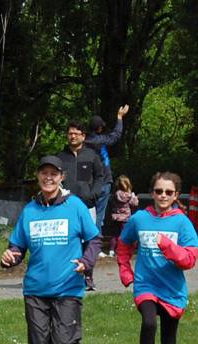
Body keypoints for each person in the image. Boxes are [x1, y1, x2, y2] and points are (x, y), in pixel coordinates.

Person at [0, 155, 101, 344]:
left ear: (61, 178)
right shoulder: (30, 211)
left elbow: (94, 240)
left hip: (68, 287)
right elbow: (18, 246)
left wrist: (86, 263)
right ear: (38, 177)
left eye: (53, 174)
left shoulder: (75, 206)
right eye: (44, 173)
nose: (48, 178)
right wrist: (10, 258)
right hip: (35, 289)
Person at [116, 171, 198, 344]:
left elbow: (191, 258)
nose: (163, 195)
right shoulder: (140, 219)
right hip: (146, 284)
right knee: (149, 323)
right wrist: (125, 270)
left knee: (169, 342)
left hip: (172, 289)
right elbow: (123, 245)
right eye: (159, 191)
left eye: (168, 192)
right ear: (152, 193)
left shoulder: (182, 222)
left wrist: (169, 248)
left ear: (175, 195)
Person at [58, 121, 106, 291]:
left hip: (87, 205)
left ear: (83, 136)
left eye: (76, 133)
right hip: (65, 207)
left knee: (89, 241)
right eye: (70, 133)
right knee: (68, 240)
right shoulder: (60, 157)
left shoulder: (92, 156)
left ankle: (88, 275)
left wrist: (93, 194)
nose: (72, 136)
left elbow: (101, 177)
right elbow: (54, 179)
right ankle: (66, 275)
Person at [86, 105, 129, 240]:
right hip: (103, 181)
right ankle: (95, 244)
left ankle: (88, 241)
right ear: (99, 128)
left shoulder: (84, 142)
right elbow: (116, 135)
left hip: (89, 182)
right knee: (99, 214)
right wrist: (119, 117)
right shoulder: (101, 140)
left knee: (88, 212)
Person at [105, 175, 139, 256]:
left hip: (116, 218)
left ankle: (112, 250)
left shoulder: (114, 194)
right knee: (124, 234)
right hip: (125, 218)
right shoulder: (128, 195)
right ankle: (122, 250)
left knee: (115, 235)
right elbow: (135, 204)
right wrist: (134, 196)